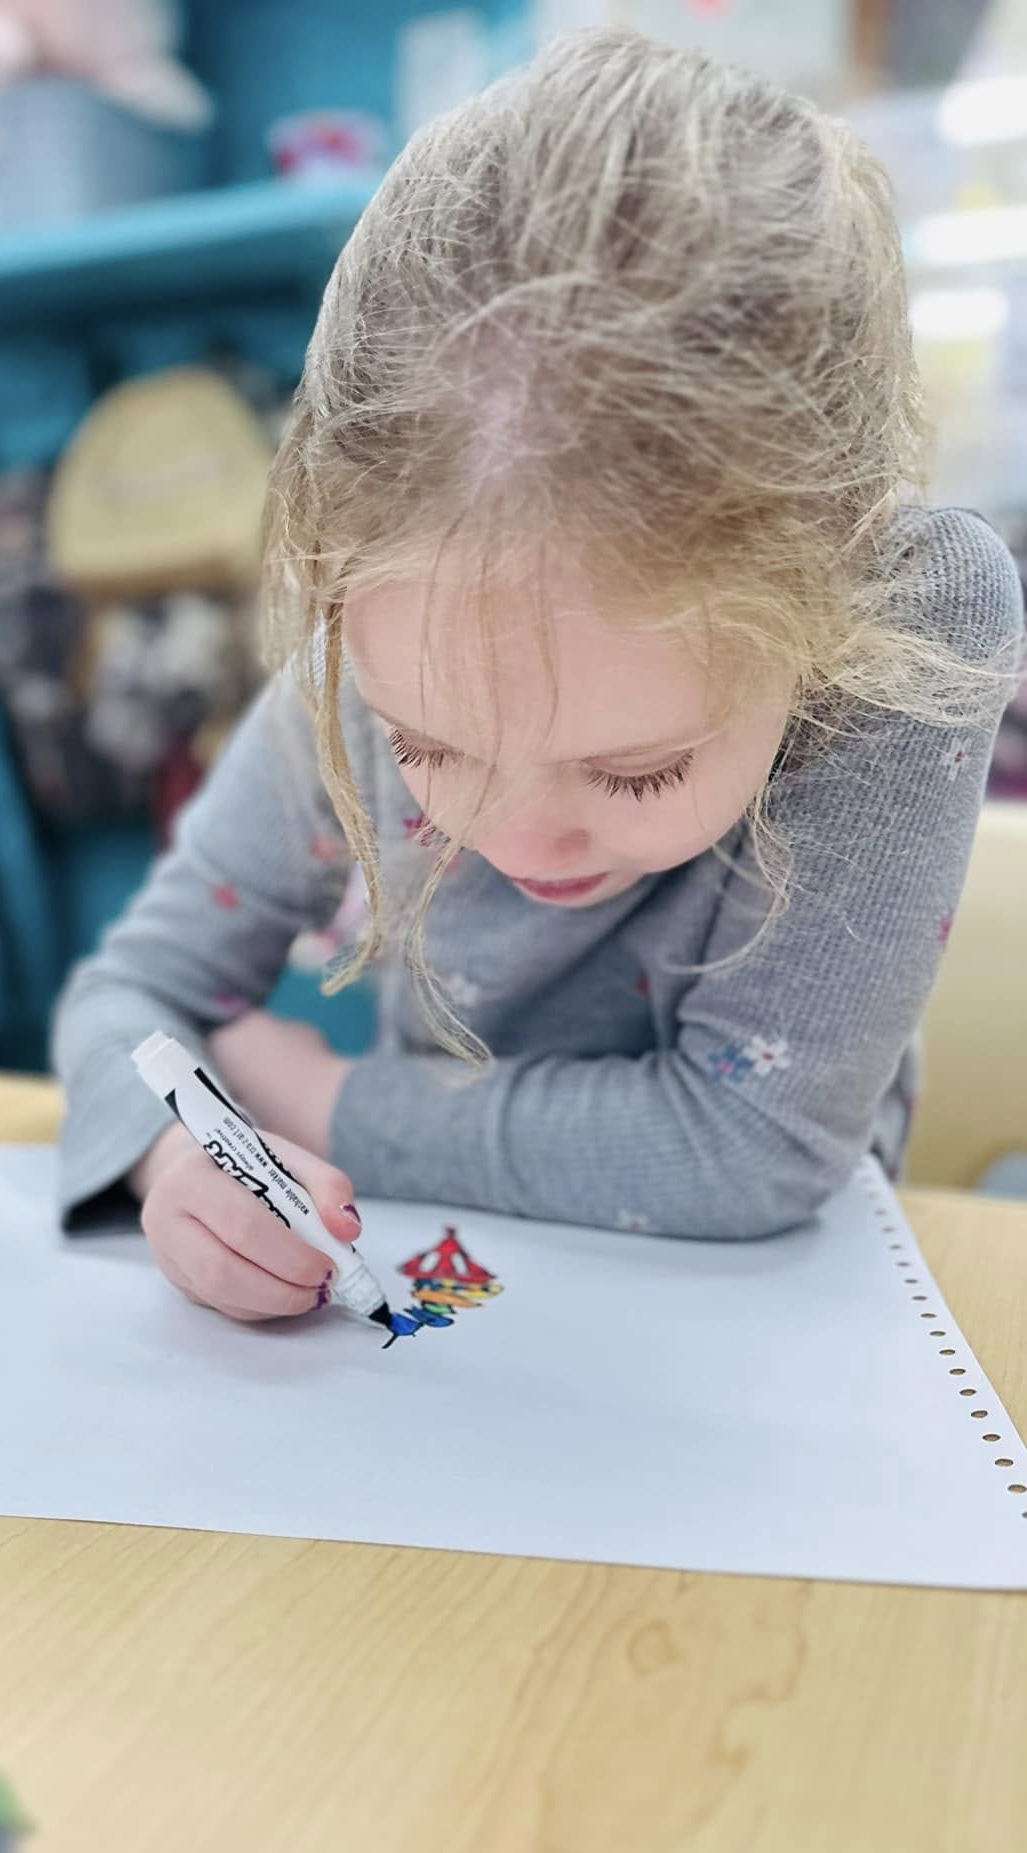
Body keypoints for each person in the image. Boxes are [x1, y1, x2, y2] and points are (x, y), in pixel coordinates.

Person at [52, 29, 1025, 1325]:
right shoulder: (400, 600)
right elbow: (133, 994)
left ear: (825, 620)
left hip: (775, 1338)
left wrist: (323, 1101)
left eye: (638, 771)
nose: (511, 838)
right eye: (427, 749)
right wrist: (179, 1152)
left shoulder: (906, 611)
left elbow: (750, 1151)